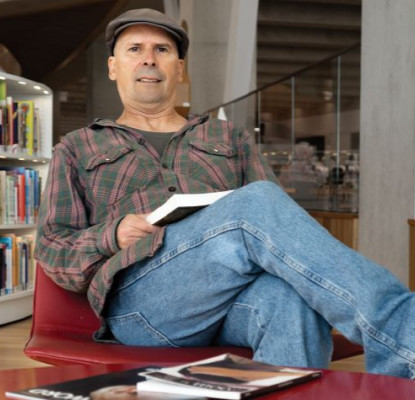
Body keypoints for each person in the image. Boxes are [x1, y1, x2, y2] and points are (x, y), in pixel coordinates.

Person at [34, 8, 415, 379]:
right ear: (113, 66)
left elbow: (279, 224)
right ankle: (404, 337)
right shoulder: (78, 146)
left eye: (162, 50)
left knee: (289, 300)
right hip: (142, 307)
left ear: (179, 69)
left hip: (231, 300)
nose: (149, 60)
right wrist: (111, 234)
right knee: (256, 201)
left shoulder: (229, 137)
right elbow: (52, 247)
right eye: (135, 49)